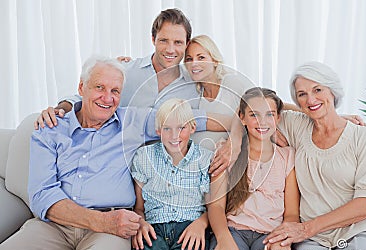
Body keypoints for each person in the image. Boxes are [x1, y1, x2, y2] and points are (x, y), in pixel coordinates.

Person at [35, 8, 230, 176]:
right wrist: (60, 108)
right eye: (164, 40)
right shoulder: (126, 70)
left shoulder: (194, 85)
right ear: (153, 39)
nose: (171, 49)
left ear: (186, 44)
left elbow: (204, 118)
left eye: (178, 42)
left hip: (162, 175)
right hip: (115, 166)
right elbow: (88, 96)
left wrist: (234, 141)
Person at [0, 56, 154, 250]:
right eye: (100, 87)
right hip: (54, 226)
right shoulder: (50, 128)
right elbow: (42, 195)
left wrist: (217, 143)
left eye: (115, 91)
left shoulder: (133, 121)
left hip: (109, 232)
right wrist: (103, 222)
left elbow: (184, 119)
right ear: (82, 87)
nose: (107, 98)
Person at [264, 62, 366, 250]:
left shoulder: (362, 136)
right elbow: (256, 105)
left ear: (333, 91)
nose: (310, 99)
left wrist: (305, 229)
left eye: (318, 90)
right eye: (302, 94)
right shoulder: (296, 125)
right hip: (314, 239)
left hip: (360, 228)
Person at [206, 88, 300, 250]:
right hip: (233, 231)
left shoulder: (287, 157)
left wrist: (283, 241)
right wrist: (223, 238)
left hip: (271, 233)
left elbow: (292, 213)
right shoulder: (227, 153)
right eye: (254, 115)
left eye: (270, 114)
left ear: (278, 118)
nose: (262, 122)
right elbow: (216, 205)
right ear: (242, 118)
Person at [127, 98, 219, 250]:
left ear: (193, 128)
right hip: (153, 228)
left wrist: (201, 223)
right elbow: (139, 207)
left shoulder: (205, 159)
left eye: (181, 128)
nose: (174, 135)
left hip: (190, 228)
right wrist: (140, 222)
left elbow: (212, 206)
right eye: (167, 128)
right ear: (158, 130)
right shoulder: (144, 157)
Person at [184, 34, 254, 151]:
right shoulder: (194, 95)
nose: (194, 63)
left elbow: (265, 103)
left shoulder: (232, 83)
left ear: (215, 61)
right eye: (189, 59)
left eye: (201, 57)